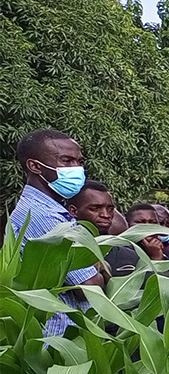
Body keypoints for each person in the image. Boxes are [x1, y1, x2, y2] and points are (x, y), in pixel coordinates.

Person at [6, 129, 104, 335]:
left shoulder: (54, 211)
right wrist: (98, 265)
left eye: (79, 161)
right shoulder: (43, 216)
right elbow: (89, 288)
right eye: (66, 161)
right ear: (34, 166)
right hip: (55, 341)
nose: (76, 168)